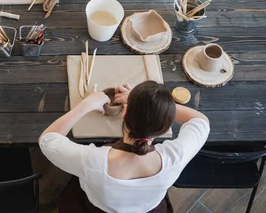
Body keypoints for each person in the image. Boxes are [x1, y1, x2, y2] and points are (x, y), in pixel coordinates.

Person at [39, 81, 210, 213]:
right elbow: (200, 121)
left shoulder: (93, 161)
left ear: (125, 113)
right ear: (165, 127)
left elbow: (48, 139)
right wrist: (154, 106)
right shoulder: (175, 158)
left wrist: (87, 104)